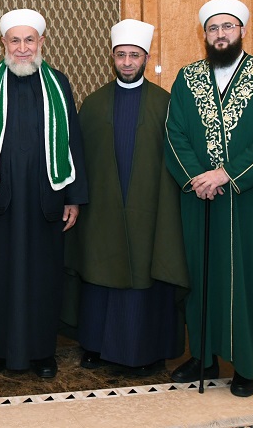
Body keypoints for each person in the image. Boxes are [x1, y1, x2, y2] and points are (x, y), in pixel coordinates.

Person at [165, 0, 253, 397]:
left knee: (250, 279)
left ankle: (246, 365)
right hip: (201, 198)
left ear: (242, 31)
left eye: (228, 27)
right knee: (202, 277)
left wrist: (226, 174)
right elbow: (174, 133)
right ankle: (203, 356)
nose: (220, 34)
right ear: (204, 34)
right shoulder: (187, 78)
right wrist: (197, 179)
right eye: (213, 28)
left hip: (252, 199)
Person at [0, 8, 88, 378]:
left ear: (41, 42)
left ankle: (43, 353)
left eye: (29, 39)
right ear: (3, 43)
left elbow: (73, 140)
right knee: (1, 278)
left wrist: (74, 197)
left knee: (45, 277)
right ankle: (1, 351)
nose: (23, 47)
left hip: (47, 199)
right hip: (0, 200)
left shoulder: (58, 83)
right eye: (15, 40)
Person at [67, 19, 188, 376]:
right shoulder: (93, 103)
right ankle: (95, 345)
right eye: (121, 55)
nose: (127, 62)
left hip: (152, 211)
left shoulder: (166, 104)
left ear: (146, 58)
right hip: (102, 210)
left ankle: (150, 349)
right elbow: (78, 159)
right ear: (113, 58)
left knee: (149, 272)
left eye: (134, 55)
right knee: (100, 268)